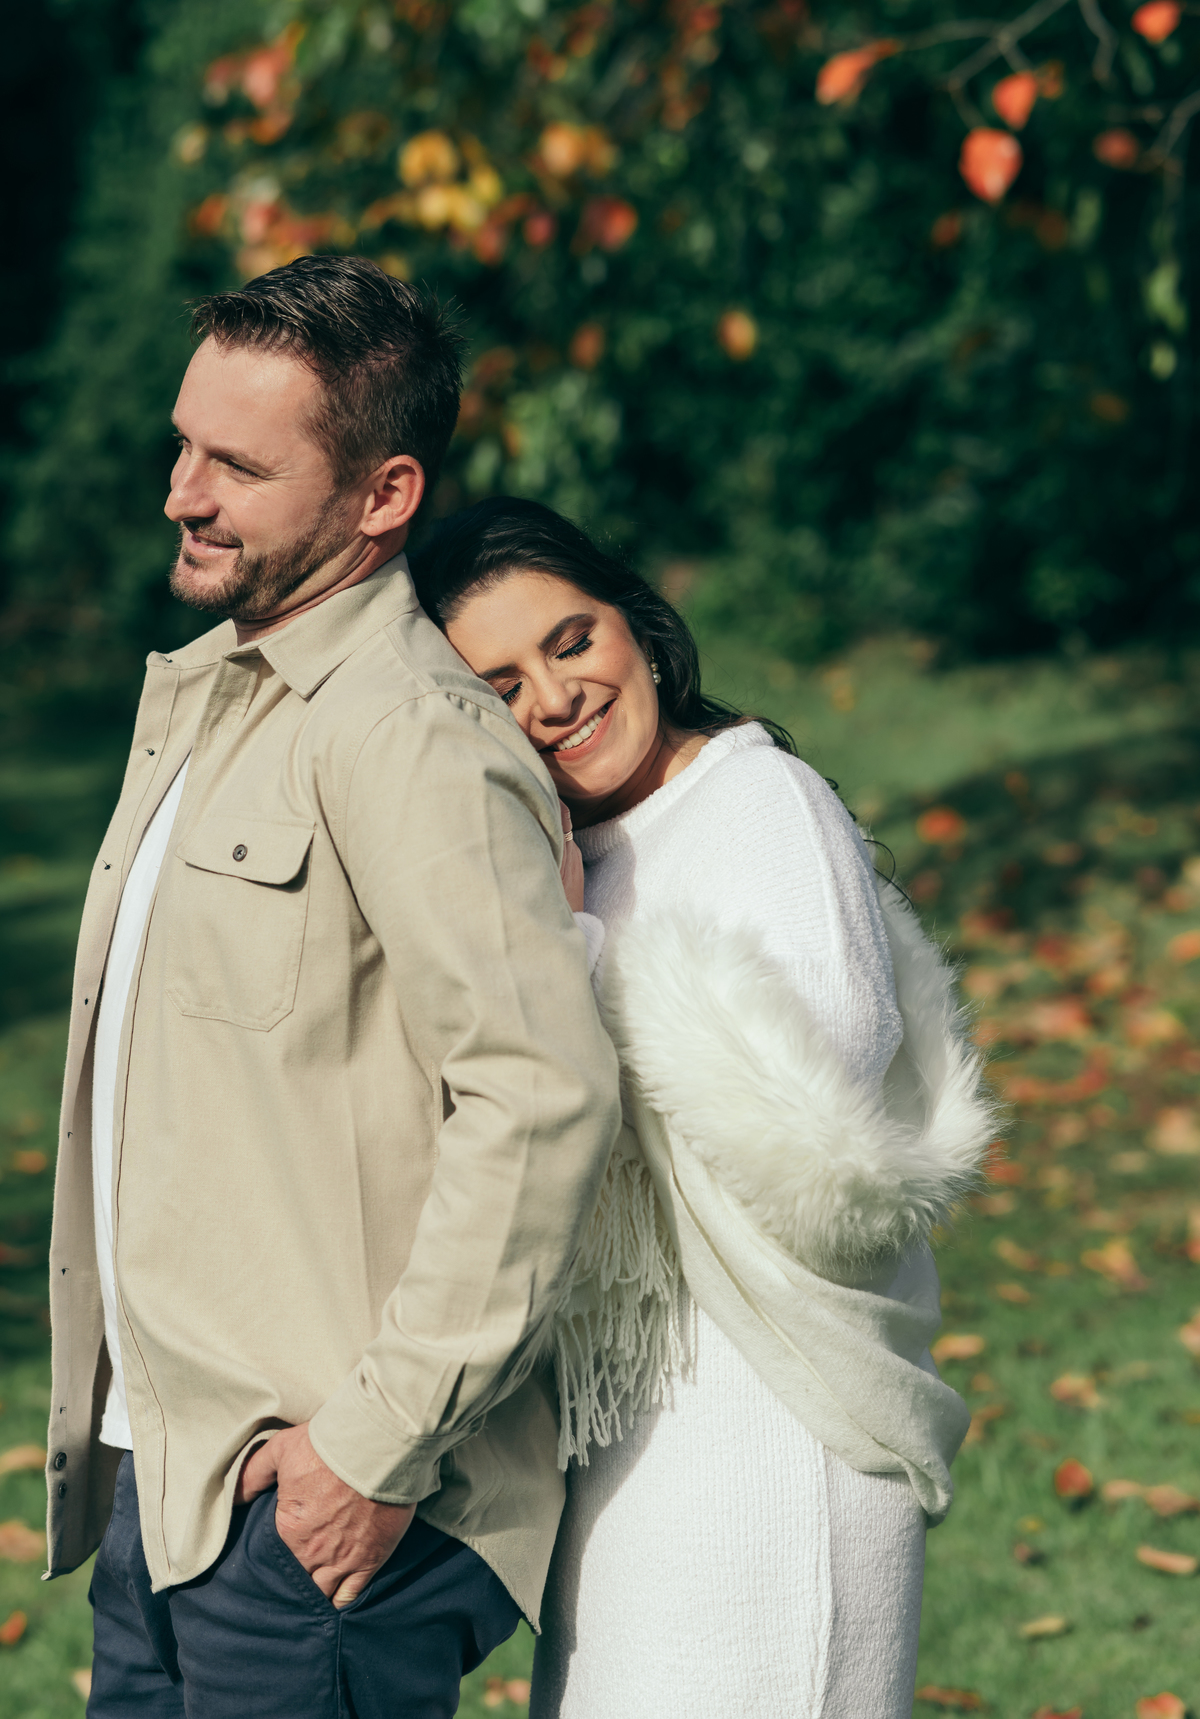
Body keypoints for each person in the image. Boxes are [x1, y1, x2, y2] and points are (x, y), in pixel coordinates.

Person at [44, 260, 622, 1718]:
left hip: (329, 1513)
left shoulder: (412, 735)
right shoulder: (204, 701)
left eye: (238, 464)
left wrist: (369, 1446)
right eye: (183, 445)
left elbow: (542, 1094)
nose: (183, 491)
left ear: (382, 495)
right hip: (174, 1487)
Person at [411, 496, 998, 1719]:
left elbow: (819, 1100)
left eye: (572, 641)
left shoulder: (758, 800)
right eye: (502, 683)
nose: (556, 695)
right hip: (635, 1420)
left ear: (637, 623)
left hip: (771, 1422)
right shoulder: (582, 844)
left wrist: (584, 973)